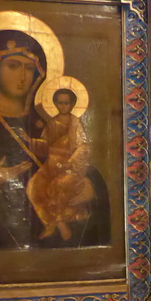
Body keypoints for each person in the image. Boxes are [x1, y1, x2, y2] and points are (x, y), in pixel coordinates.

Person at [0, 27, 109, 251]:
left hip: (52, 257)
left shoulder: (48, 127)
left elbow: (75, 163)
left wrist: (92, 188)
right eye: (13, 66)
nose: (23, 76)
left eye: (29, 68)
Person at [27, 88, 97, 242]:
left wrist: (70, 163)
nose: (63, 106)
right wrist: (30, 142)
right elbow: (45, 145)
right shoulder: (52, 123)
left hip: (68, 165)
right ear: (55, 104)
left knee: (58, 185)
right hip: (51, 165)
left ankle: (60, 224)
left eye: (66, 103)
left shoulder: (75, 123)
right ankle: (51, 224)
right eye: (60, 103)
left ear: (72, 104)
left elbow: (83, 145)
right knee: (34, 185)